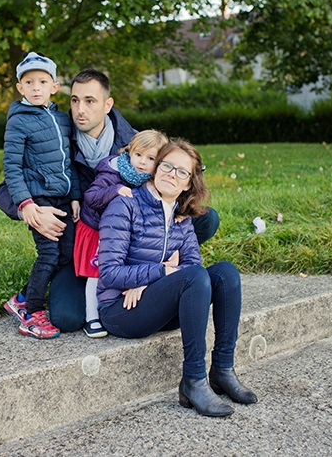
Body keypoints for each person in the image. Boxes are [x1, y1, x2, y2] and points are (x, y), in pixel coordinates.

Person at [0, 69, 220, 332]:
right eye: (75, 100)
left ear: (107, 104)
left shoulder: (136, 142)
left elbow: (176, 171)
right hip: (86, 241)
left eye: (90, 101)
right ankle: (101, 291)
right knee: (67, 318)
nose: (80, 109)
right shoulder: (56, 136)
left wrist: (179, 207)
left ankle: (155, 269)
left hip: (135, 240)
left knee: (205, 218)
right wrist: (31, 211)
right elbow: (4, 189)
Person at [97, 138, 257, 417]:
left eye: (182, 172)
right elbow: (110, 273)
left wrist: (151, 282)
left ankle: (222, 369)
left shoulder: (183, 217)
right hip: (120, 310)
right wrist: (161, 271)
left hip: (154, 302)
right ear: (156, 168)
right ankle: (193, 381)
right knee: (192, 275)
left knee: (225, 274)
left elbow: (192, 265)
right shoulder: (126, 205)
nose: (172, 174)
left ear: (188, 184)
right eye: (167, 166)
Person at [0, 51, 80, 340]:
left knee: (68, 252)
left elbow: (68, 162)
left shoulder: (61, 120)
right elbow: (12, 167)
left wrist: (74, 196)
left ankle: (22, 297)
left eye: (42, 82)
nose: (36, 88)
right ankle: (31, 313)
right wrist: (26, 203)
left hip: (62, 199)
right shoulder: (19, 121)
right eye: (29, 82)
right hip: (39, 198)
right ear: (20, 87)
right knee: (48, 254)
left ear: (54, 86)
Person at [76, 129, 168, 338]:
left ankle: (113, 302)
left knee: (120, 267)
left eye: (151, 158)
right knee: (97, 272)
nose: (142, 162)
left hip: (119, 232)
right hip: (97, 230)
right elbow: (91, 197)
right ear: (129, 152)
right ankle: (92, 317)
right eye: (138, 155)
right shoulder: (113, 172)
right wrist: (114, 190)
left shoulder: (147, 179)